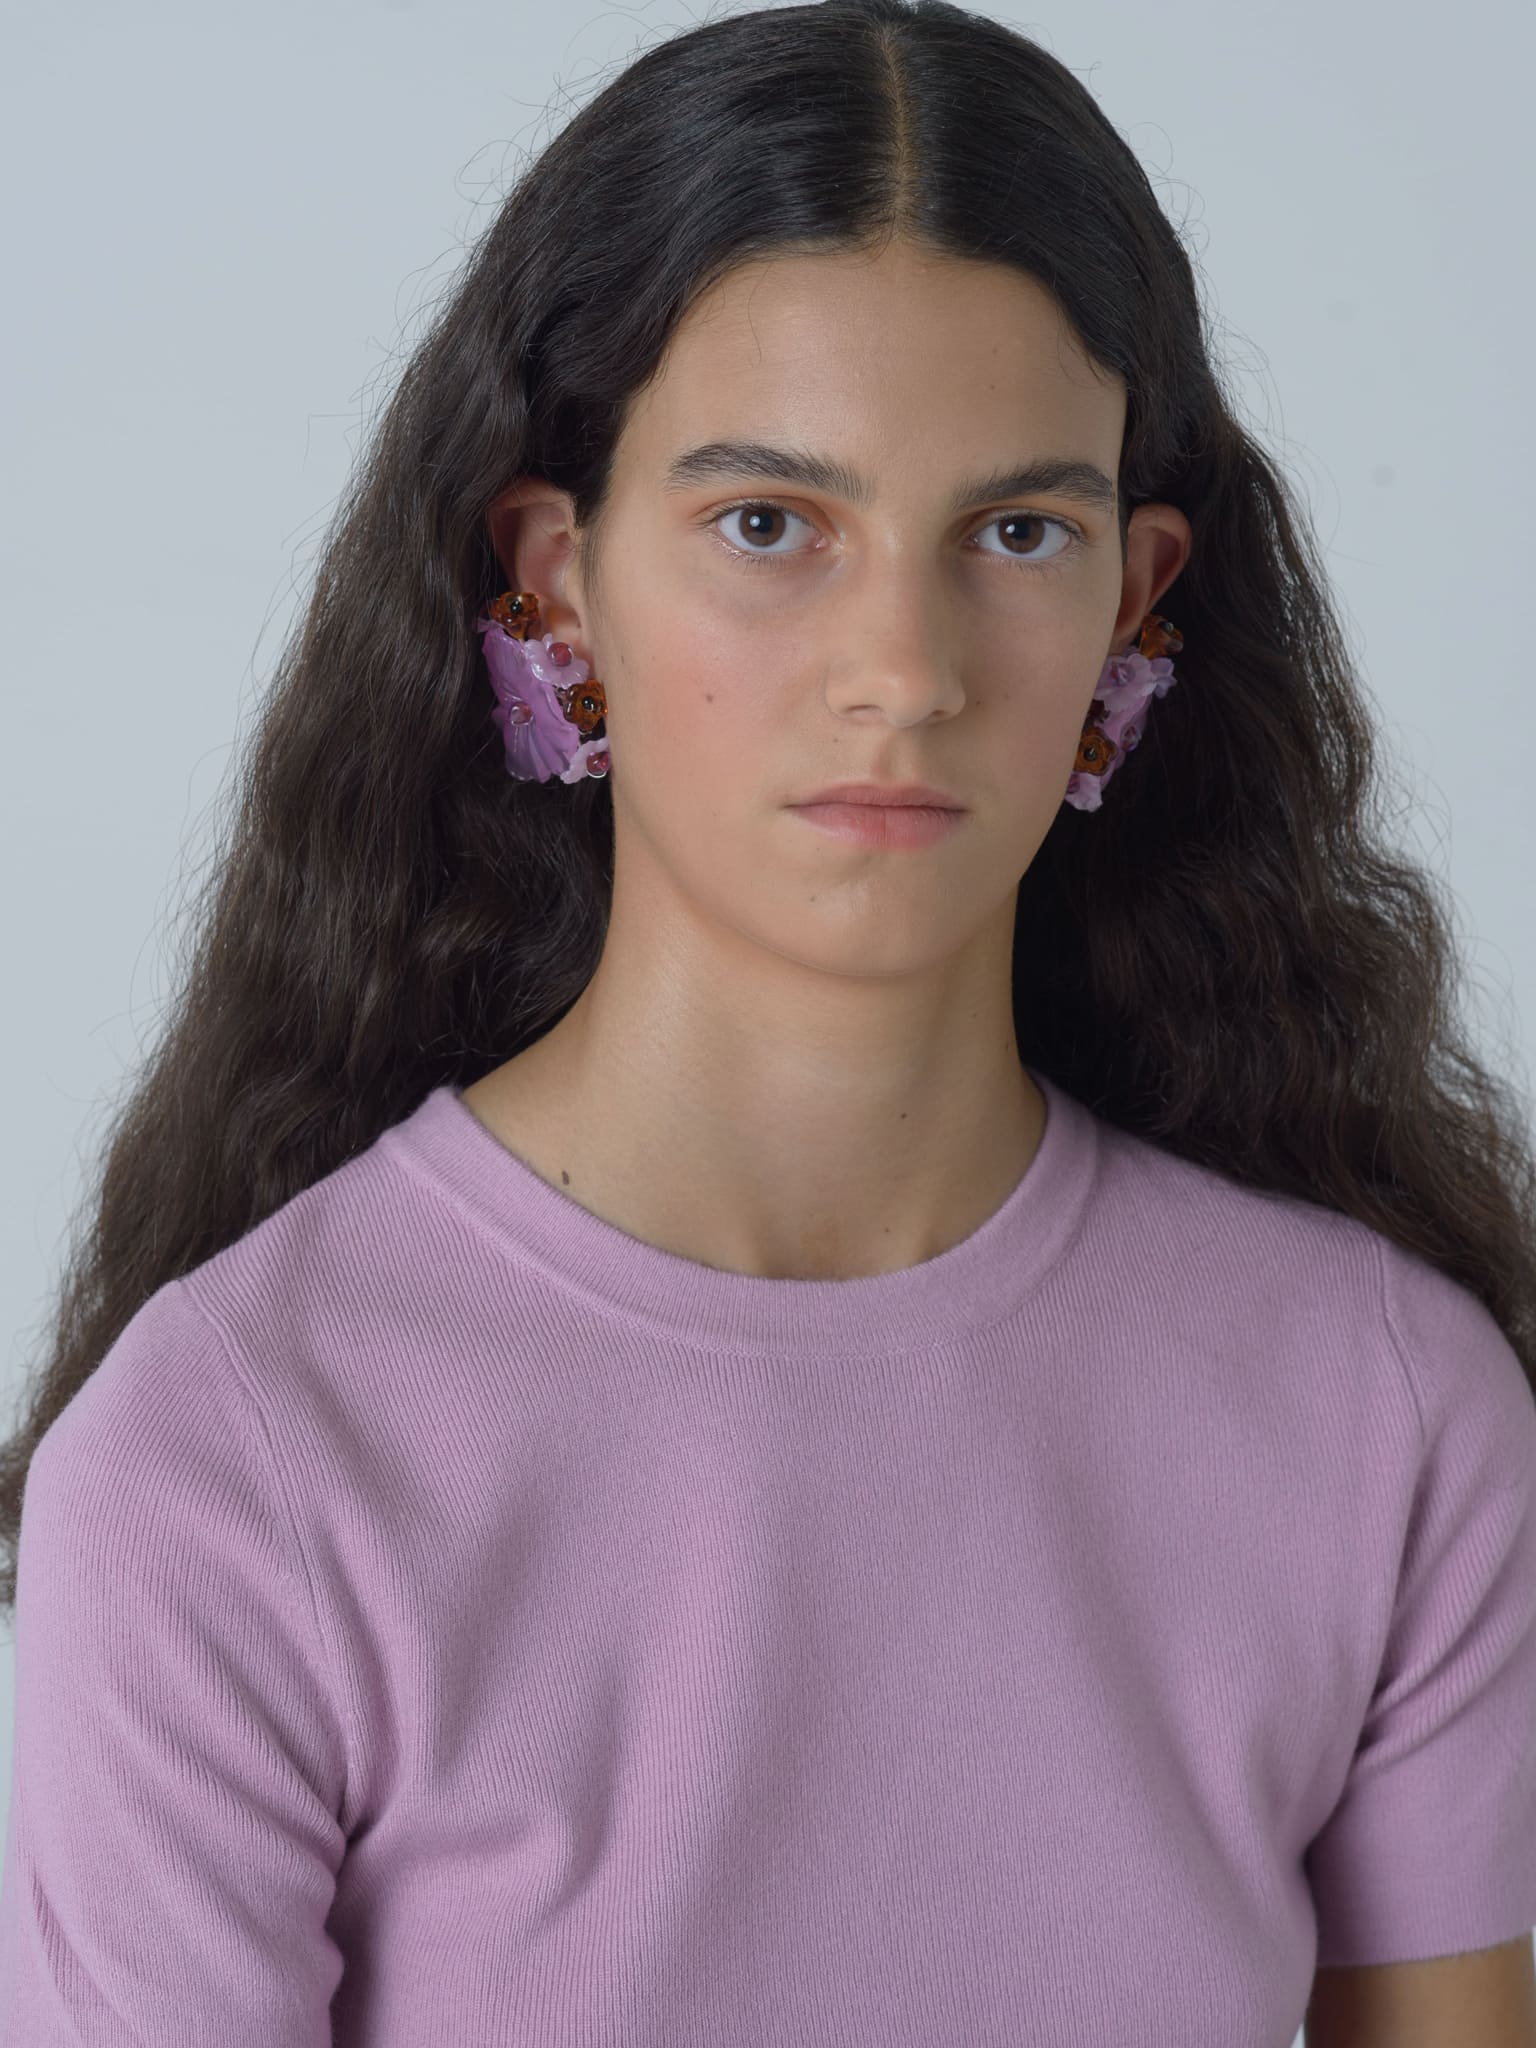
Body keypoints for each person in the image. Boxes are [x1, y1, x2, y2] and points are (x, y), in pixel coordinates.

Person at [3, 1, 1535, 2043]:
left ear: (1134, 605)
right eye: (767, 525)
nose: (902, 667)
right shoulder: (229, 1464)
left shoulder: (1390, 1417)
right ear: (556, 582)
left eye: (1016, 531)